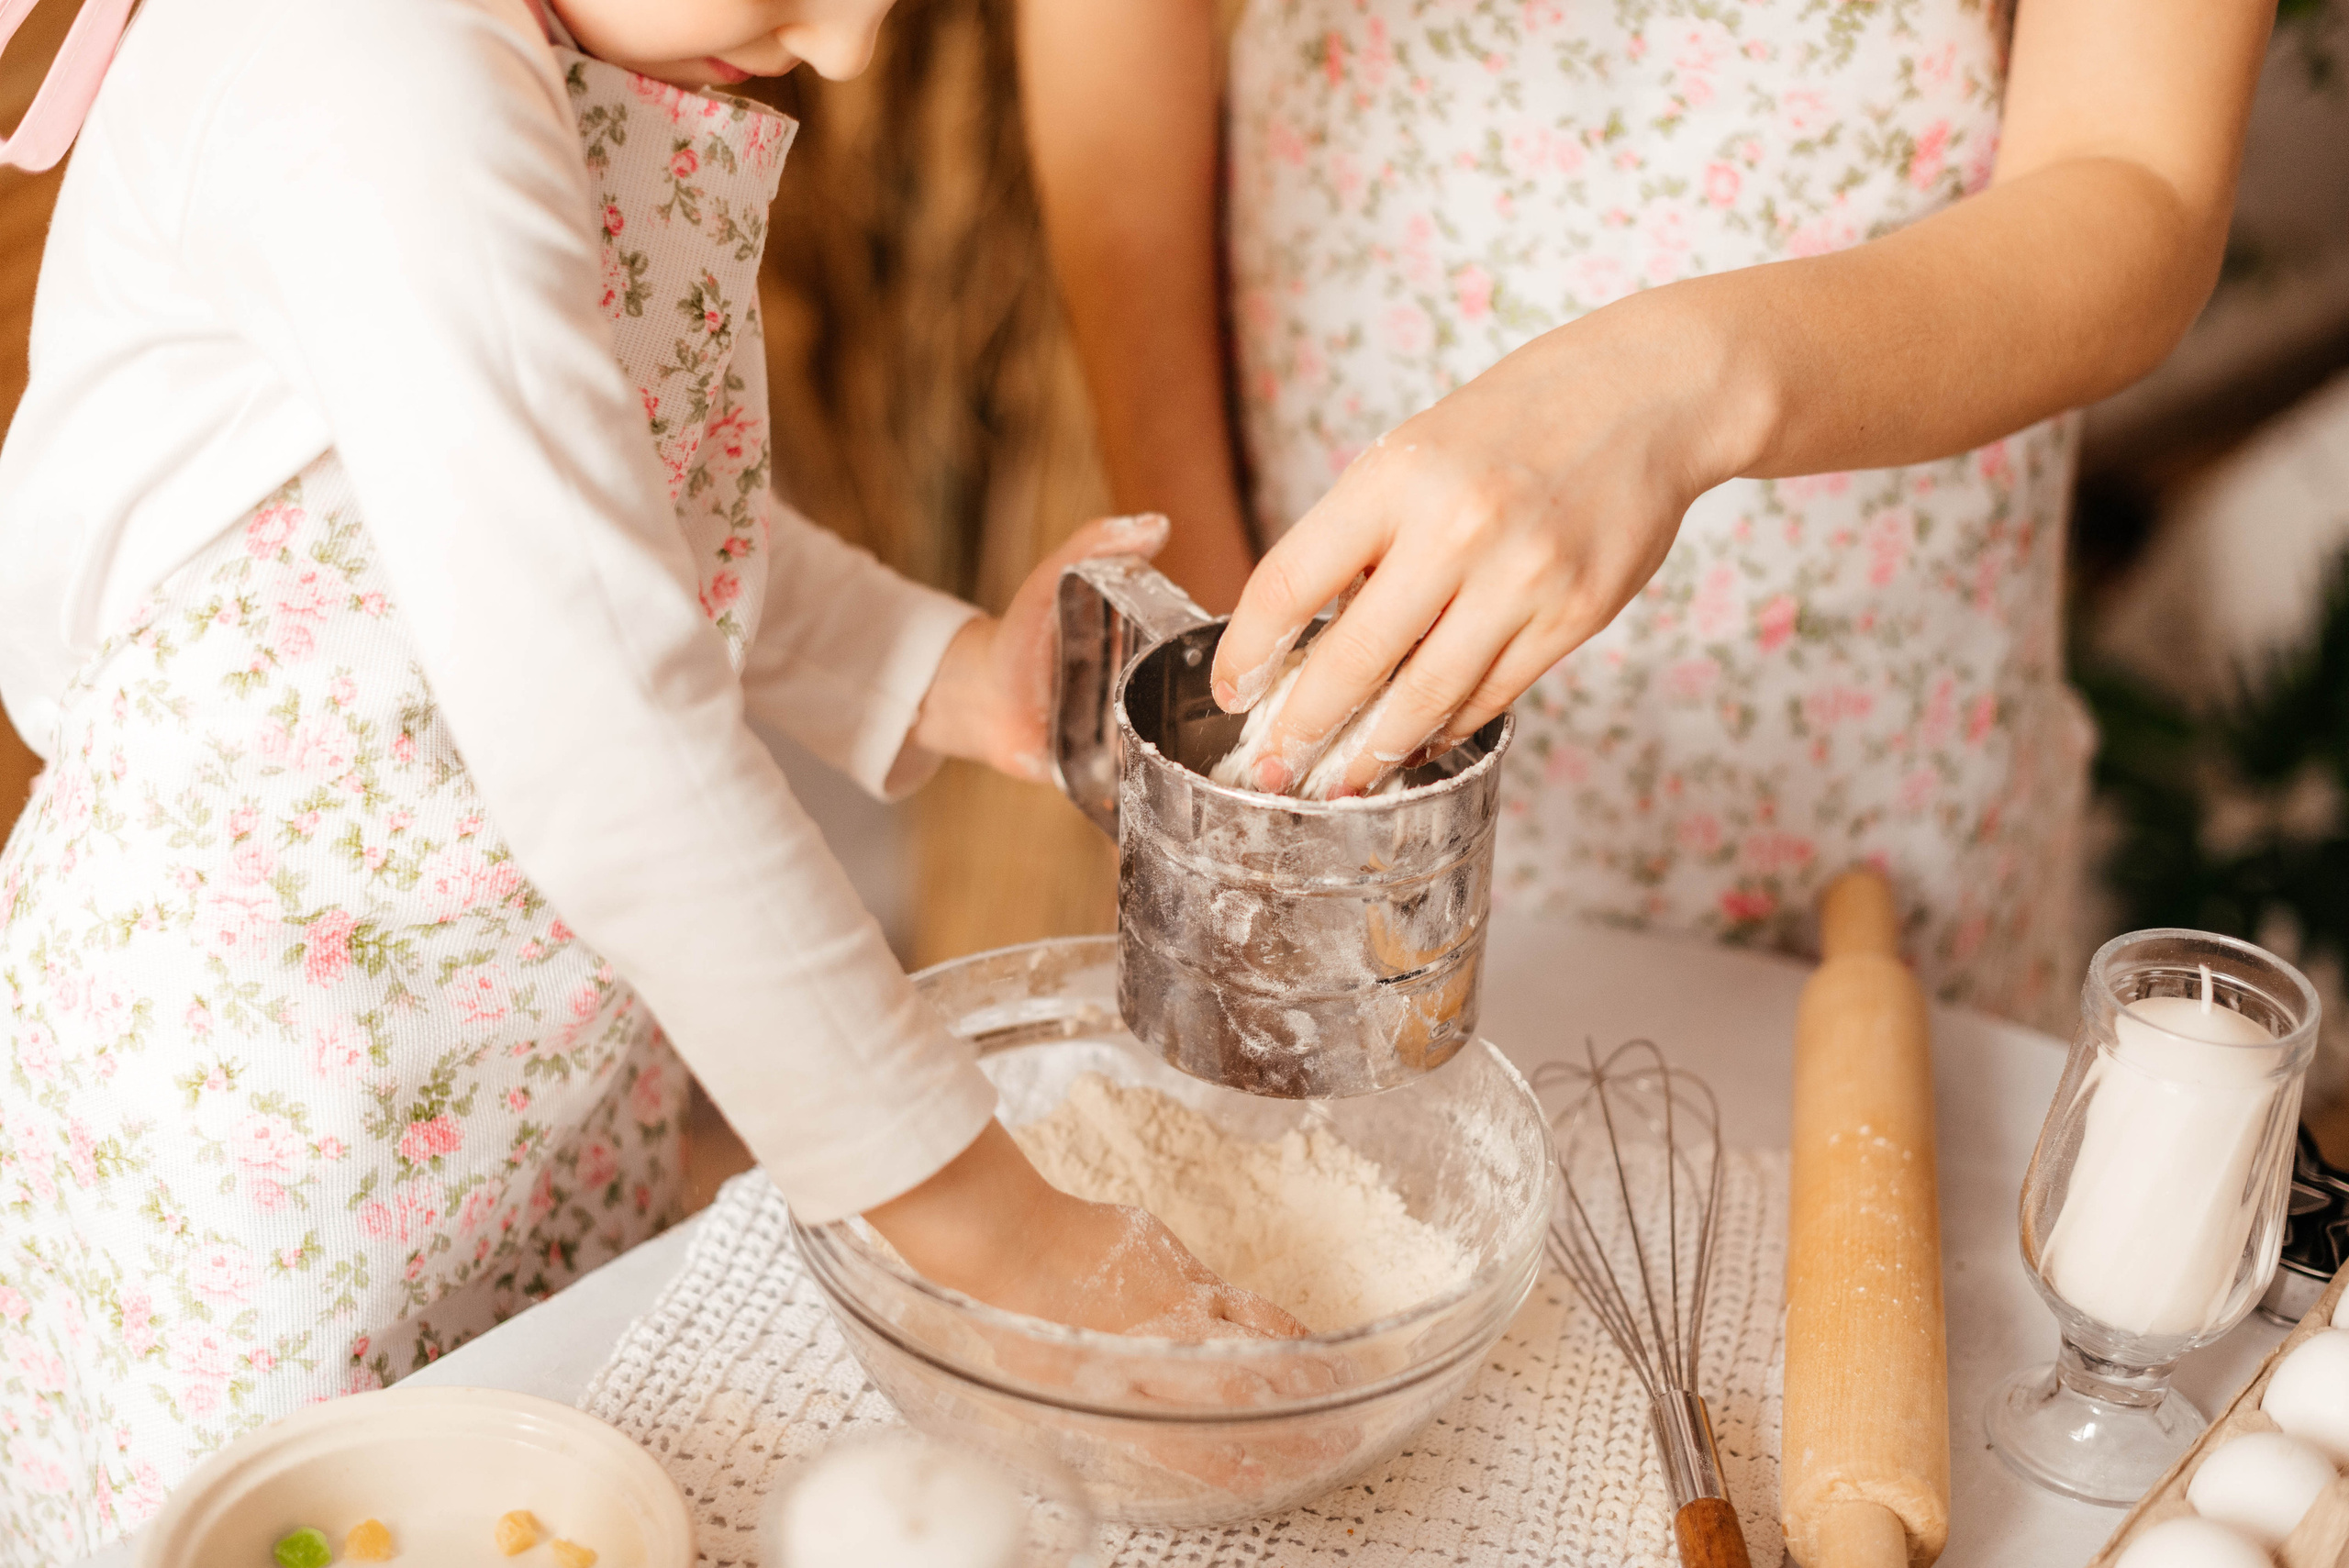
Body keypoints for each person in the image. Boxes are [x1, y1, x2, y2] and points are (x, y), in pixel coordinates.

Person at [0, 0, 1299, 1553]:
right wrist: (990, 1227)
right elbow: (601, 715)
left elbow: (642, 522)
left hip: (500, 1054)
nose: (846, 53)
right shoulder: (366, 82)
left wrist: (947, 673)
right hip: (256, 1101)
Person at [1019, 0, 2270, 1026]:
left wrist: (1680, 391)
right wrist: (1222, 614)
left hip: (1876, 747)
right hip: (1330, 633)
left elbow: (2141, 183)